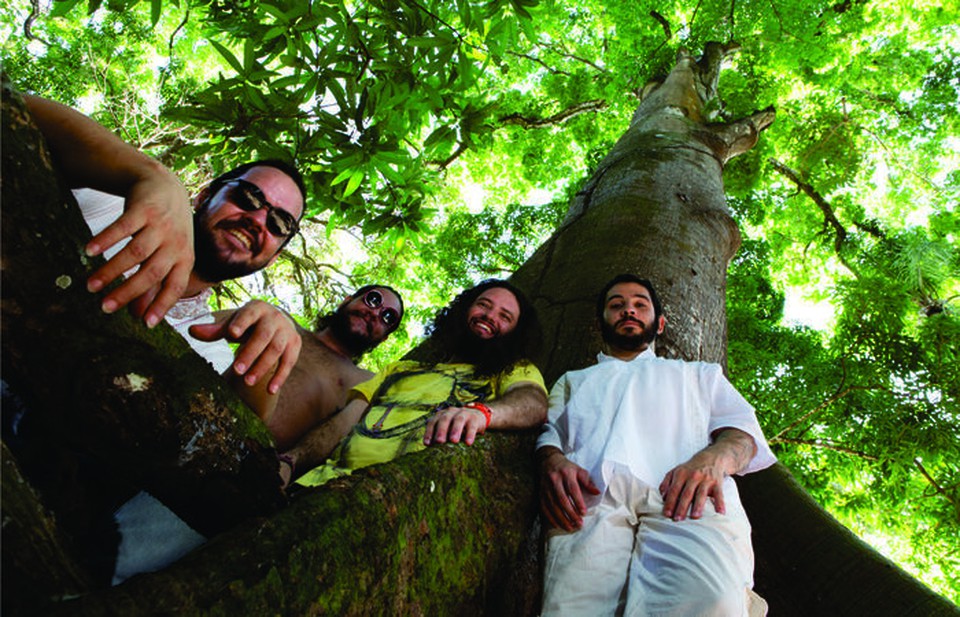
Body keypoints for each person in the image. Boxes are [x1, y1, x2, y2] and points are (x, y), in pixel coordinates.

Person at [17, 95, 309, 583]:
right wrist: (152, 177)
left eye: (279, 224)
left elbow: (232, 446)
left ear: (275, 253)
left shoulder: (212, 346)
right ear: (206, 196)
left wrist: (272, 346)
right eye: (248, 198)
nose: (258, 220)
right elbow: (15, 110)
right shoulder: (114, 202)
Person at [537, 274, 776, 617]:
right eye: (616, 305)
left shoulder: (698, 374)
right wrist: (552, 460)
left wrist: (713, 460)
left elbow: (742, 434)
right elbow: (550, 436)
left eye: (639, 305)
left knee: (711, 602)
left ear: (659, 323)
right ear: (599, 323)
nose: (628, 311)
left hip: (686, 495)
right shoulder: (573, 381)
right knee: (573, 610)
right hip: (591, 499)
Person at [287, 279, 548, 487]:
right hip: (318, 485)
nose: (490, 316)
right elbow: (343, 424)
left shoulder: (513, 370)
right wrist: (290, 461)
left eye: (505, 316)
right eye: (484, 305)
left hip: (407, 496)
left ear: (515, 332)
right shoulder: (399, 370)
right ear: (465, 309)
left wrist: (482, 414)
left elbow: (532, 402)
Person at [229, 284, 405, 451]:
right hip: (221, 403)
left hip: (261, 463)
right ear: (346, 300)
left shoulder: (367, 382)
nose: (375, 313)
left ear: (383, 339)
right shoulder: (282, 322)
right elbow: (211, 322)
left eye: (387, 317)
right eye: (373, 300)